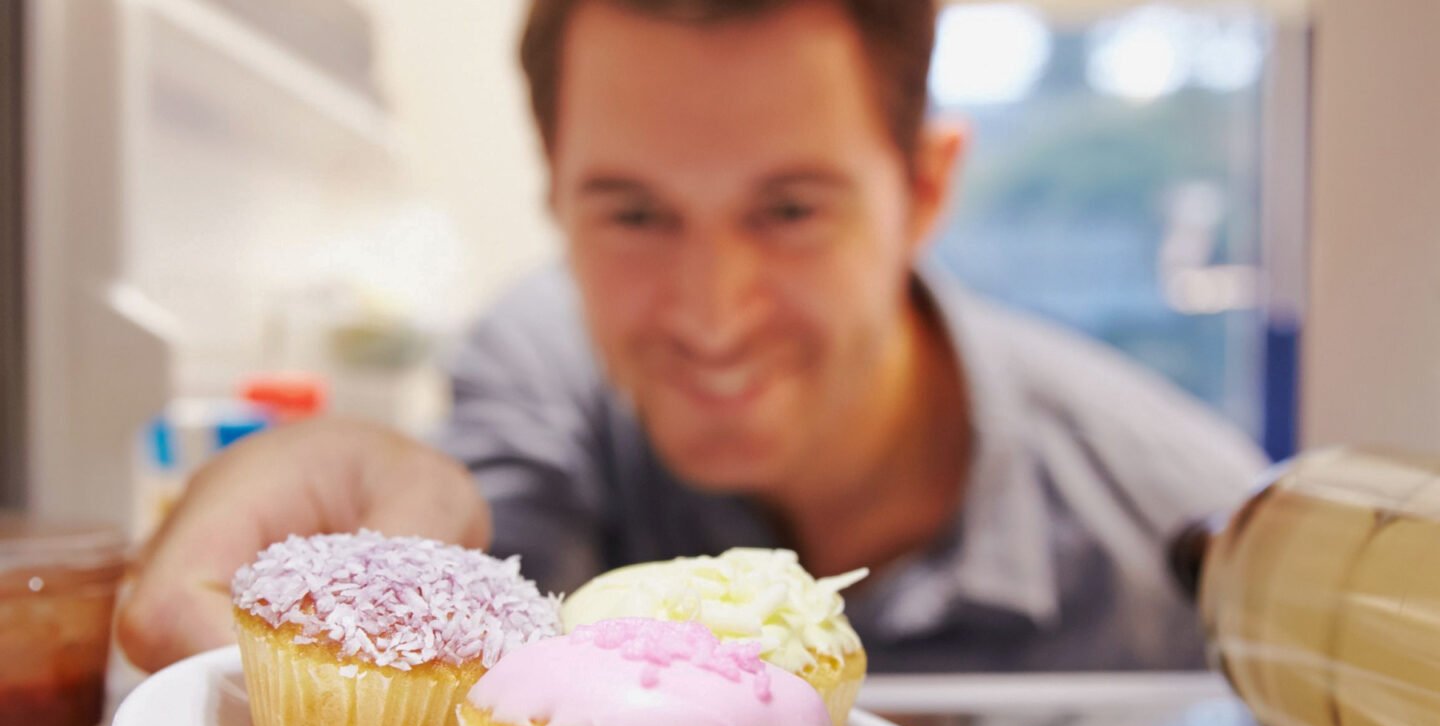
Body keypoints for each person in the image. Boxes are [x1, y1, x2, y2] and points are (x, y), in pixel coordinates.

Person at [117, 0, 1266, 675]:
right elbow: (475, 555)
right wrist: (362, 528)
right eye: (634, 214)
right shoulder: (546, 356)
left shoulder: (1181, 536)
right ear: (556, 202)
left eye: (789, 211)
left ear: (924, 190)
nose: (711, 315)